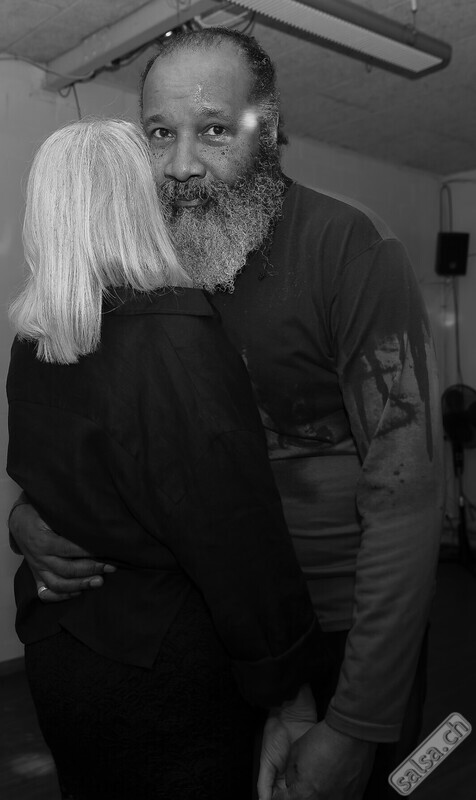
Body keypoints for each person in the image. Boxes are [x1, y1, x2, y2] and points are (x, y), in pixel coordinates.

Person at [8, 28, 445, 800]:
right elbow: (91, 426)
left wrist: (357, 721)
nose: (180, 164)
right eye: (158, 134)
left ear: (269, 132)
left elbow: (405, 496)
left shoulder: (349, 247)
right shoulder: (142, 260)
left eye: (213, 130)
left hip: (335, 634)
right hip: (210, 640)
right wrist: (29, 516)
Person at [6, 117, 331, 800]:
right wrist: (292, 696)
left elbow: (49, 479)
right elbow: (238, 541)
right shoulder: (177, 340)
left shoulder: (36, 340)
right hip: (167, 677)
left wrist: (20, 520)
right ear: (142, 200)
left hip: (63, 657)